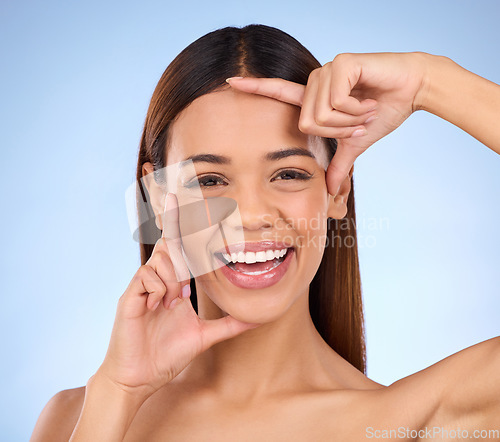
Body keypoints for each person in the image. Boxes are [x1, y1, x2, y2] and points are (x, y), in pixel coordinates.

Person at [31, 24, 500, 441]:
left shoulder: (413, 424)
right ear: (157, 200)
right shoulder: (75, 418)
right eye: (209, 181)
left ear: (337, 190)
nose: (251, 215)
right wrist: (118, 392)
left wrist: (429, 81)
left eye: (289, 174)